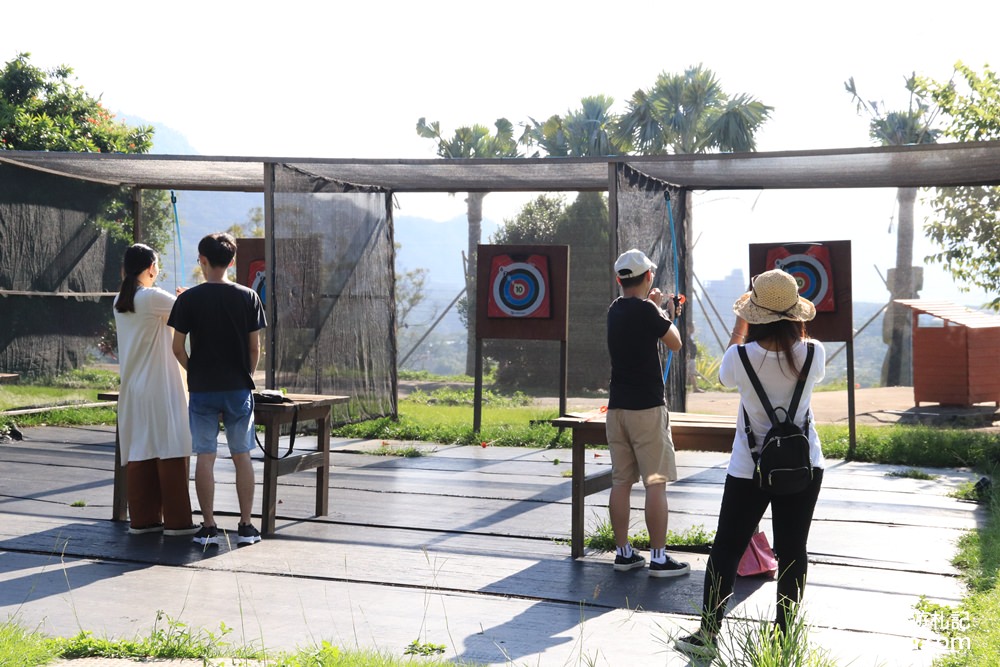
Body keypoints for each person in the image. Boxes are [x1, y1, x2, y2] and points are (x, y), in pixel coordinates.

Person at [675, 268, 826, 658]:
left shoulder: (739, 357)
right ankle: (783, 634)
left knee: (726, 549)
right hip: (805, 464)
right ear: (795, 313)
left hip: (749, 468)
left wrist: (741, 327)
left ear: (754, 313)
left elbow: (727, 378)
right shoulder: (815, 353)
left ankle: (708, 635)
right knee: (793, 550)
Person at [168, 232, 267, 547]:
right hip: (238, 388)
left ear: (202, 260)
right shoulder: (248, 296)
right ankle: (247, 526)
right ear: (232, 261)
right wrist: (245, 376)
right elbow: (255, 349)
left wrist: (193, 371)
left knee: (206, 457)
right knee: (242, 456)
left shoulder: (188, 299)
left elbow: (177, 348)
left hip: (203, 389)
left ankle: (209, 526)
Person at [605, 248, 689, 577]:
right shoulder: (647, 312)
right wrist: (662, 311)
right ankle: (657, 557)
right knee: (655, 482)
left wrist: (655, 308)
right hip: (647, 410)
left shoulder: (615, 310)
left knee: (621, 481)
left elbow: (641, 318)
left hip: (617, 411)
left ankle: (624, 553)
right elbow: (675, 342)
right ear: (648, 277)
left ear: (619, 280)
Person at [113, 243, 199, 537]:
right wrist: (185, 296)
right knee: (171, 446)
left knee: (142, 449)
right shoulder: (151, 297)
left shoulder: (120, 300)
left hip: (134, 388)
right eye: (157, 265)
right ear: (151, 267)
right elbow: (189, 309)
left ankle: (144, 520)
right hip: (161, 384)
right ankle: (177, 523)